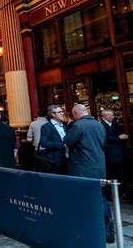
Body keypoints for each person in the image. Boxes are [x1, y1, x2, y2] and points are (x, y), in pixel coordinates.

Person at [64, 104, 113, 243]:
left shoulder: (78, 126)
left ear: (76, 114)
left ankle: (87, 226)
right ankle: (107, 227)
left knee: (82, 196)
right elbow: (103, 144)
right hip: (98, 166)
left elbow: (67, 141)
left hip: (82, 166)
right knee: (99, 195)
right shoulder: (99, 125)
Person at [37, 105, 67, 174]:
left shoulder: (64, 125)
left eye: (62, 111)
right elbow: (44, 143)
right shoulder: (46, 127)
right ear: (53, 114)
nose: (62, 113)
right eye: (59, 112)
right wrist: (62, 145)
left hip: (66, 158)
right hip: (55, 160)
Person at [101, 109, 128, 181]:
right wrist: (119, 137)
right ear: (105, 116)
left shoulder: (114, 124)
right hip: (110, 154)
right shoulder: (101, 125)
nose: (113, 117)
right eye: (111, 115)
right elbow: (104, 139)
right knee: (112, 174)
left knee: (120, 173)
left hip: (119, 152)